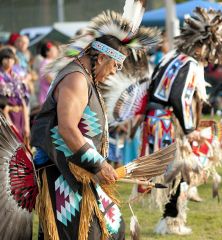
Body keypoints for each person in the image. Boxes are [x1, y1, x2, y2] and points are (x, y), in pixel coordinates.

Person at [30, 3, 161, 239]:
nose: (115, 72)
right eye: (115, 65)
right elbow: (67, 128)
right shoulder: (76, 80)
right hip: (63, 176)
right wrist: (98, 164)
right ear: (101, 57)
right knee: (81, 233)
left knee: (113, 229)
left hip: (80, 173)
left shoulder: (85, 77)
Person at [137, 7, 222, 235]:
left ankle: (170, 221)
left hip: (157, 119)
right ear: (207, 45)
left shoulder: (173, 57)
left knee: (180, 173)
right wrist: (189, 129)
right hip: (165, 122)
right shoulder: (189, 64)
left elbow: (155, 88)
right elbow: (178, 96)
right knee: (180, 172)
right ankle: (171, 222)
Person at [0, 47, 30, 143]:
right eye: (6, 58)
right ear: (1, 60)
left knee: (20, 148)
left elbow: (23, 101)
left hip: (19, 115)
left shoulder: (17, 77)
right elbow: (2, 106)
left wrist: (27, 125)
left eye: (11, 59)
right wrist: (10, 125)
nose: (9, 61)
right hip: (5, 116)